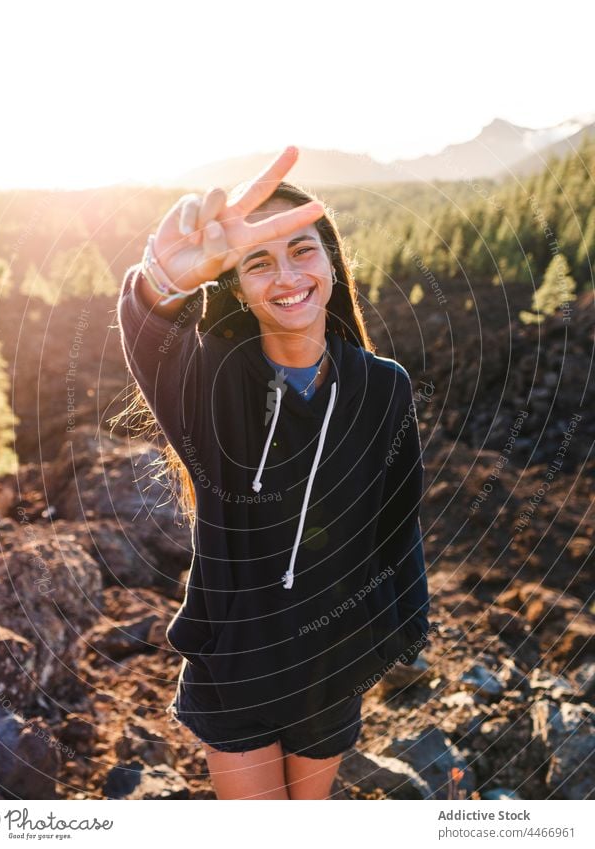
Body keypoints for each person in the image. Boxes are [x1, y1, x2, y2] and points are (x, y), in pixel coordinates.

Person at [115, 145, 431, 800]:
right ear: (237, 285)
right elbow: (151, 333)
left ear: (334, 265)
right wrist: (165, 280)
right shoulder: (211, 383)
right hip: (237, 666)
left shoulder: (384, 387)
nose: (286, 275)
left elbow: (399, 521)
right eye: (259, 260)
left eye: (303, 251)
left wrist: (398, 630)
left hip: (333, 665)